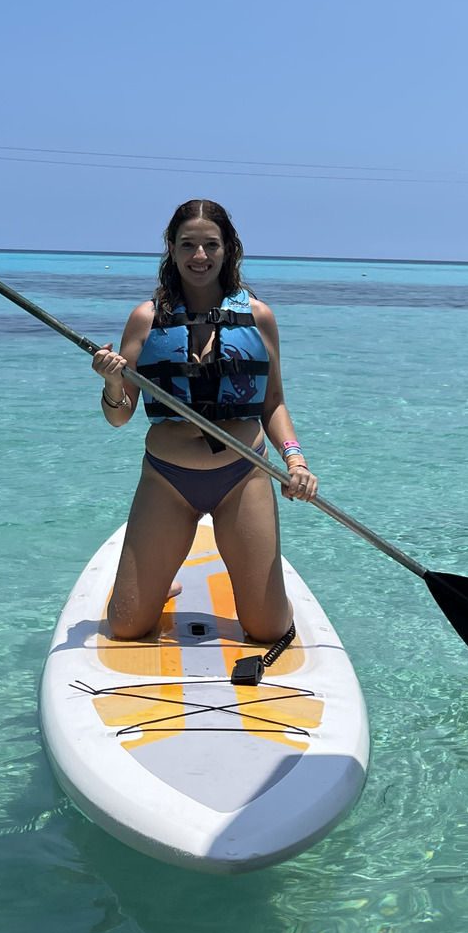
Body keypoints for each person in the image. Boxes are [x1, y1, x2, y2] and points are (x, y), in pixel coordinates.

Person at [91, 199, 317, 643]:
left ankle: (265, 590)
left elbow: (272, 402)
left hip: (243, 475)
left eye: (211, 245)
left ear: (228, 249)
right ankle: (160, 581)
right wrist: (112, 384)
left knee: (268, 628)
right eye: (188, 244)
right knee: (126, 626)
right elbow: (120, 418)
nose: (200, 256)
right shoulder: (146, 319)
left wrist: (296, 462)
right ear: (171, 250)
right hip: (167, 480)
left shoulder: (259, 316)